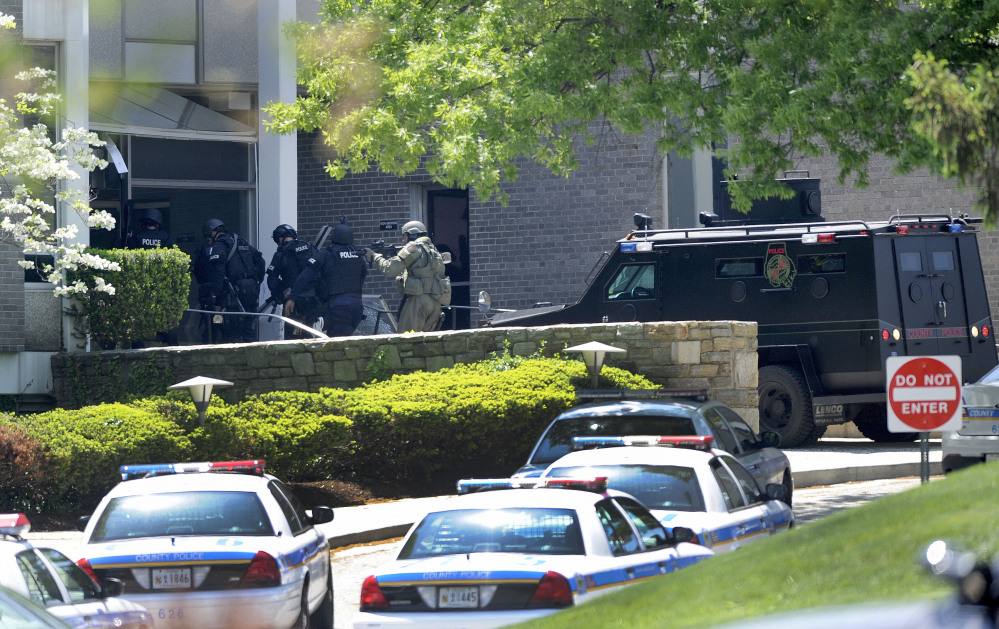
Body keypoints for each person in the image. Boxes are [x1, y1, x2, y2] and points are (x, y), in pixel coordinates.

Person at [363, 220, 451, 333]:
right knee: (426, 343)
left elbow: (389, 269)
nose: (403, 241)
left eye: (404, 237)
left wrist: (375, 257)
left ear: (412, 235)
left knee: (406, 341)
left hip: (418, 302)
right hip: (435, 302)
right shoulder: (433, 250)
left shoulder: (414, 247)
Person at [286, 223, 367, 337]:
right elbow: (363, 276)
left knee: (338, 345)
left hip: (338, 306)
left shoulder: (327, 253)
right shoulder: (358, 254)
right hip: (357, 306)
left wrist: (292, 297)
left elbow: (305, 275)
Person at [192, 218, 265, 343]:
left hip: (233, 295)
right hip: (251, 292)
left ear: (212, 232)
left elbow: (218, 273)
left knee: (230, 328)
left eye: (208, 238)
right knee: (247, 328)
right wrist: (257, 281)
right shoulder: (242, 242)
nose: (208, 241)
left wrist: (214, 294)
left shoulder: (219, 245)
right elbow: (261, 261)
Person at [265, 224, 320, 338]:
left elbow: (272, 280)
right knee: (311, 333)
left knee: (292, 336)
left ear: (281, 237)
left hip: (292, 301)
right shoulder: (310, 247)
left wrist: (281, 294)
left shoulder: (281, 253)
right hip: (313, 299)